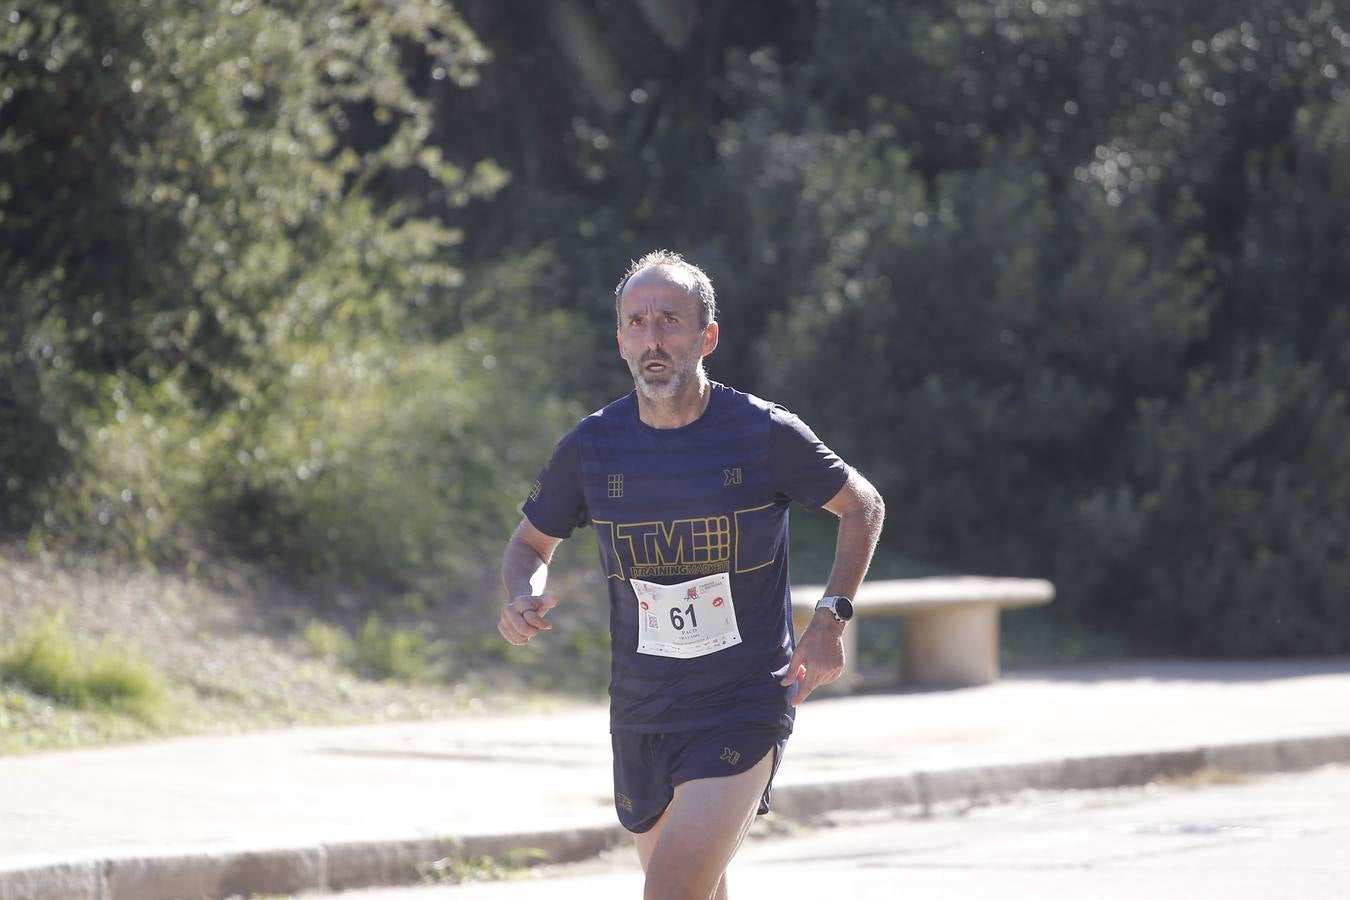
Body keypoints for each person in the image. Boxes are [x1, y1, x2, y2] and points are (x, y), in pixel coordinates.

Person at [498, 250, 885, 900]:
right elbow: (528, 547)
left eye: (670, 321)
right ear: (620, 338)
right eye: (638, 322)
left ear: (707, 337)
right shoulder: (593, 447)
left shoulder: (761, 432)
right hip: (643, 712)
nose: (653, 338)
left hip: (742, 705)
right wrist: (521, 595)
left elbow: (862, 504)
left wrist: (830, 618)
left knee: (671, 890)